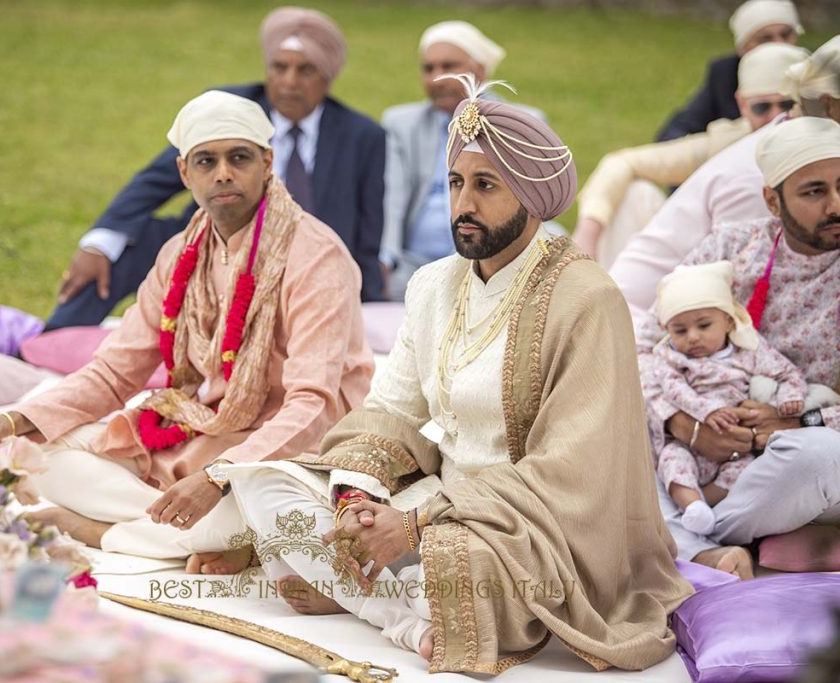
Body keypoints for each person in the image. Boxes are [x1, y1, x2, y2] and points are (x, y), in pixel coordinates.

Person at [180, 75, 692, 673]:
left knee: (459, 570)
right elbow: (392, 412)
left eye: (485, 186)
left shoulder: (586, 298)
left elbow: (571, 471)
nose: (463, 205)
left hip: (530, 532)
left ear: (531, 193)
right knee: (265, 485)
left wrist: (418, 524)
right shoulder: (433, 283)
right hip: (424, 506)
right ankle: (395, 609)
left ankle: (365, 594)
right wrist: (356, 500)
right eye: (454, 183)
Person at [0, 90, 374, 559]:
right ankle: (202, 537)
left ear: (267, 162)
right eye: (206, 161)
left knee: (267, 508)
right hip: (206, 430)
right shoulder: (180, 253)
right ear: (184, 172)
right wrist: (17, 419)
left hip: (296, 444)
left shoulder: (316, 256)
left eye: (238, 158)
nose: (223, 173)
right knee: (36, 454)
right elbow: (115, 372)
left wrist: (220, 476)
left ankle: (100, 529)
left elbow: (312, 404)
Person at [46, 7, 386, 330]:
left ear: (327, 78)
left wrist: (365, 305)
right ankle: (45, 345)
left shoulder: (362, 136)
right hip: (212, 245)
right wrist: (98, 244)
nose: (289, 81)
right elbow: (154, 181)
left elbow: (368, 232)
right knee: (126, 246)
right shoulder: (228, 107)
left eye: (305, 70)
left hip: (304, 266)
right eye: (279, 67)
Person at [636, 116, 840, 578]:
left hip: (813, 454)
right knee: (616, 424)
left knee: (819, 458)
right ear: (772, 201)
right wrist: (686, 426)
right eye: (815, 191)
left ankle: (691, 541)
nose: (838, 205)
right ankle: (738, 544)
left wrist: (796, 420)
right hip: (707, 448)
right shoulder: (731, 249)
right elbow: (648, 349)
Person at [610, 34, 840, 320]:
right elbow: (740, 304)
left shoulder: (811, 154)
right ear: (829, 105)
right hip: (650, 329)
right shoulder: (764, 175)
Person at [575, 43, 808, 265]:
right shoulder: (726, 142)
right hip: (708, 269)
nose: (775, 117)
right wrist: (587, 234)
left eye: (787, 105)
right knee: (637, 194)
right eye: (762, 107)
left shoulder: (827, 147)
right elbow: (624, 162)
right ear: (742, 104)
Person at [379, 21, 545, 300]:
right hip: (414, 263)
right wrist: (386, 260)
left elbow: (531, 201)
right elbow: (392, 198)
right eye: (428, 68)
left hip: (495, 256)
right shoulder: (401, 124)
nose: (437, 77)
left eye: (449, 66)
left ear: (479, 70)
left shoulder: (522, 122)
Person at [650, 260, 806, 535]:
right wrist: (707, 411)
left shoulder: (747, 350)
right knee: (672, 460)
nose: (693, 338)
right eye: (680, 330)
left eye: (704, 325)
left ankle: (705, 509)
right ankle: (691, 505)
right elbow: (674, 389)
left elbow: (787, 372)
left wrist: (789, 399)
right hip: (689, 439)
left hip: (736, 444)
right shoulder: (669, 356)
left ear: (728, 321)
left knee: (746, 470)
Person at [655, 0, 802, 142]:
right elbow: (680, 127)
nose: (779, 44)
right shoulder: (724, 74)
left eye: (785, 35)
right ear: (742, 48)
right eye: (765, 39)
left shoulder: (813, 71)